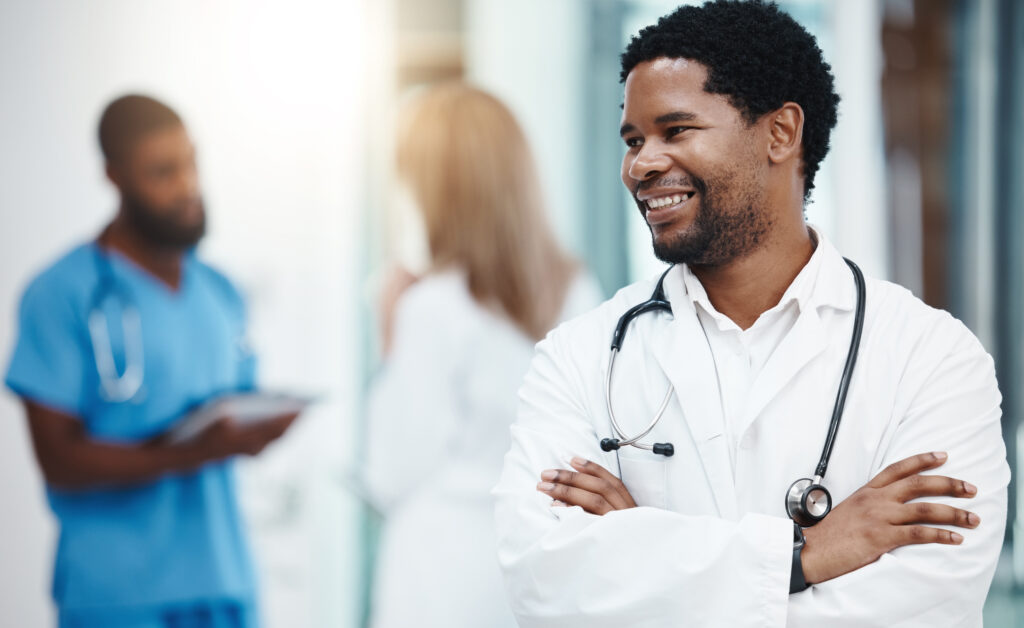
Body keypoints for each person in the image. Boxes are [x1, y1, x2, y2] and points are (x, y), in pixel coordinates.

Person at [493, 2, 1009, 626]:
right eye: (633, 140)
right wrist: (805, 556)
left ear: (781, 133)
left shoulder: (932, 359)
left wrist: (645, 558)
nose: (642, 164)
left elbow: (926, 604)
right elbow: (543, 581)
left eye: (676, 130)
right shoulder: (579, 357)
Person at [5, 94, 297, 628]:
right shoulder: (63, 294)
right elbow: (59, 460)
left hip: (224, 583)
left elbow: (237, 411)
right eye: (163, 172)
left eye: (190, 163)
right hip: (118, 594)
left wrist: (260, 428)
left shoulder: (221, 292)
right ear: (114, 177)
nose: (187, 186)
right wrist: (191, 452)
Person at [362, 83, 602, 628]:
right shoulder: (579, 290)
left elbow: (390, 473)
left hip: (437, 576)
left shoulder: (428, 307)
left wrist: (389, 333)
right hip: (539, 568)